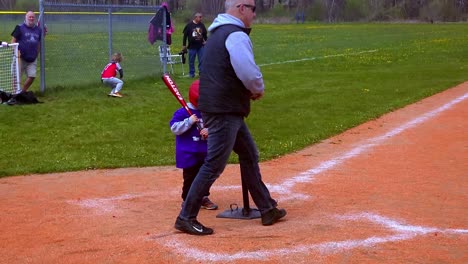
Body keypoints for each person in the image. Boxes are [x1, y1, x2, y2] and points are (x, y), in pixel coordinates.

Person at [174, 0, 286, 236]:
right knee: (214, 164)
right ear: (241, 8)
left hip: (222, 107)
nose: (255, 14)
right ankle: (186, 216)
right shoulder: (235, 35)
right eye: (253, 9)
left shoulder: (216, 33)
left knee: (248, 154)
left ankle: (267, 208)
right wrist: (257, 89)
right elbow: (247, 71)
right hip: (224, 109)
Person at [169, 80, 218, 211]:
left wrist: (209, 130)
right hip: (188, 152)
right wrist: (188, 121)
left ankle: (203, 197)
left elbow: (217, 125)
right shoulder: (182, 112)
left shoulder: (209, 111)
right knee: (190, 177)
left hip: (205, 150)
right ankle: (187, 200)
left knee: (205, 176)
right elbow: (174, 128)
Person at [11, 11, 42, 94]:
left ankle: (23, 92)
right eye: (29, 17)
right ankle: (15, 94)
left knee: (32, 76)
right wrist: (15, 53)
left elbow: (38, 43)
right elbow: (13, 40)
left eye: (33, 17)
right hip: (20, 57)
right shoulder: (19, 27)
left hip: (32, 58)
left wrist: (36, 53)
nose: (31, 18)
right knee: (16, 77)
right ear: (25, 17)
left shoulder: (38, 30)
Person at [182, 12, 207, 78]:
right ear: (196, 17)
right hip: (192, 46)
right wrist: (184, 45)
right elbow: (185, 36)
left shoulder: (202, 25)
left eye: (201, 17)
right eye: (200, 17)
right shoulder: (189, 25)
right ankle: (191, 73)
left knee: (201, 60)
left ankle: (201, 73)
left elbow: (204, 34)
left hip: (200, 46)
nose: (201, 18)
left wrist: (206, 41)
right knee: (191, 61)